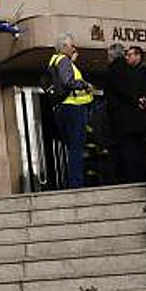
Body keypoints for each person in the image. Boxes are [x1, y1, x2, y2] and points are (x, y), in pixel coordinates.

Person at [46, 34, 94, 189]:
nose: (74, 48)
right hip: (73, 108)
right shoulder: (63, 60)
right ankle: (76, 183)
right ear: (64, 47)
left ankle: (75, 181)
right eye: (72, 45)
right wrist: (85, 85)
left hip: (64, 108)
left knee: (73, 147)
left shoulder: (56, 61)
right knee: (76, 147)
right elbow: (68, 82)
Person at [105, 45, 146, 184]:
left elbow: (120, 90)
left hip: (122, 121)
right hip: (138, 121)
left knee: (127, 153)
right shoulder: (134, 71)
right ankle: (143, 178)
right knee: (138, 152)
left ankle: (132, 180)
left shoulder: (114, 70)